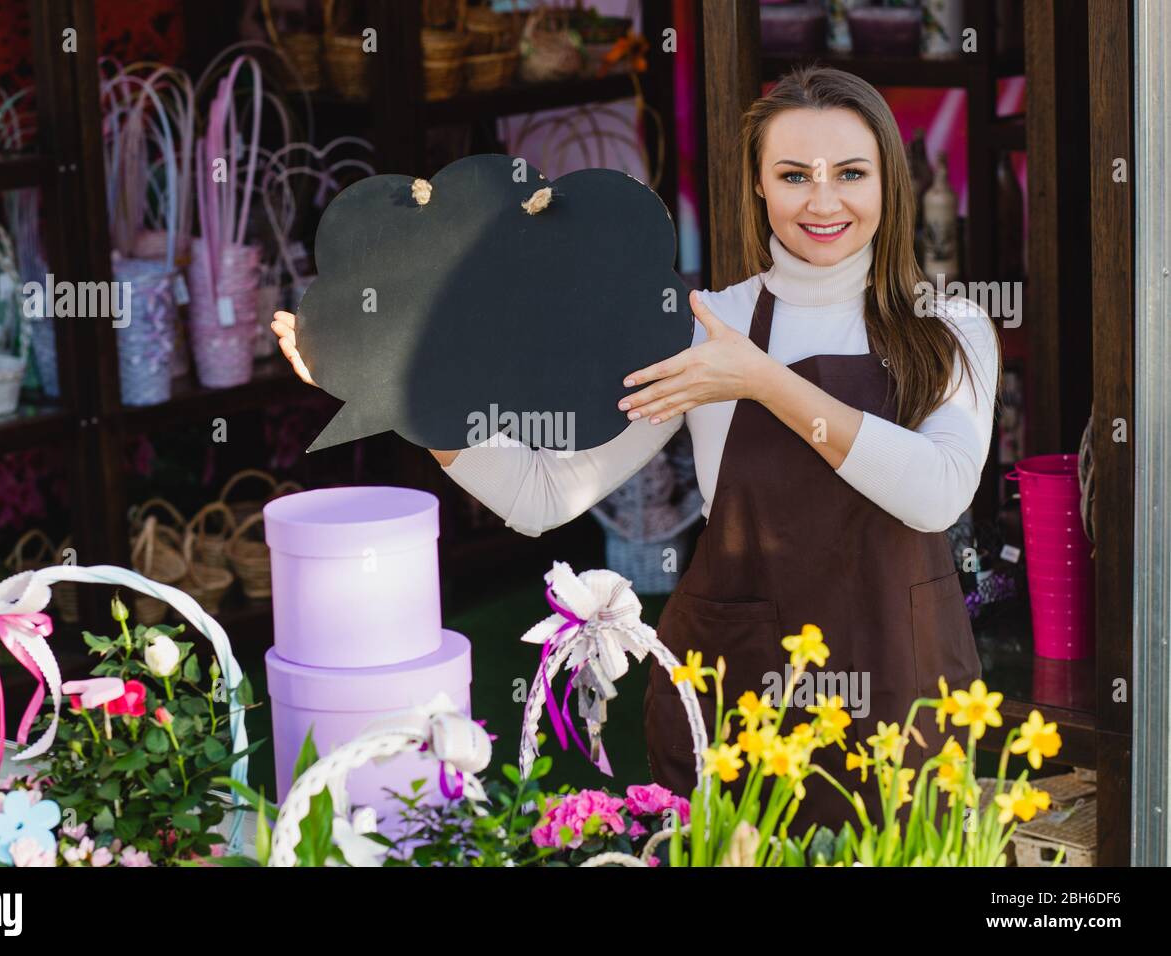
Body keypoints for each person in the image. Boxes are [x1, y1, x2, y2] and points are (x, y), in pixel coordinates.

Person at [272, 65, 1001, 835]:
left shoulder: (948, 329)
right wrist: (398, 388)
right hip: (740, 691)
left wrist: (762, 382)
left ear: (891, 179)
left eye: (850, 173)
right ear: (758, 186)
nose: (823, 201)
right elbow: (542, 495)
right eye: (793, 175)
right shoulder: (701, 327)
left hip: (904, 691)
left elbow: (937, 493)